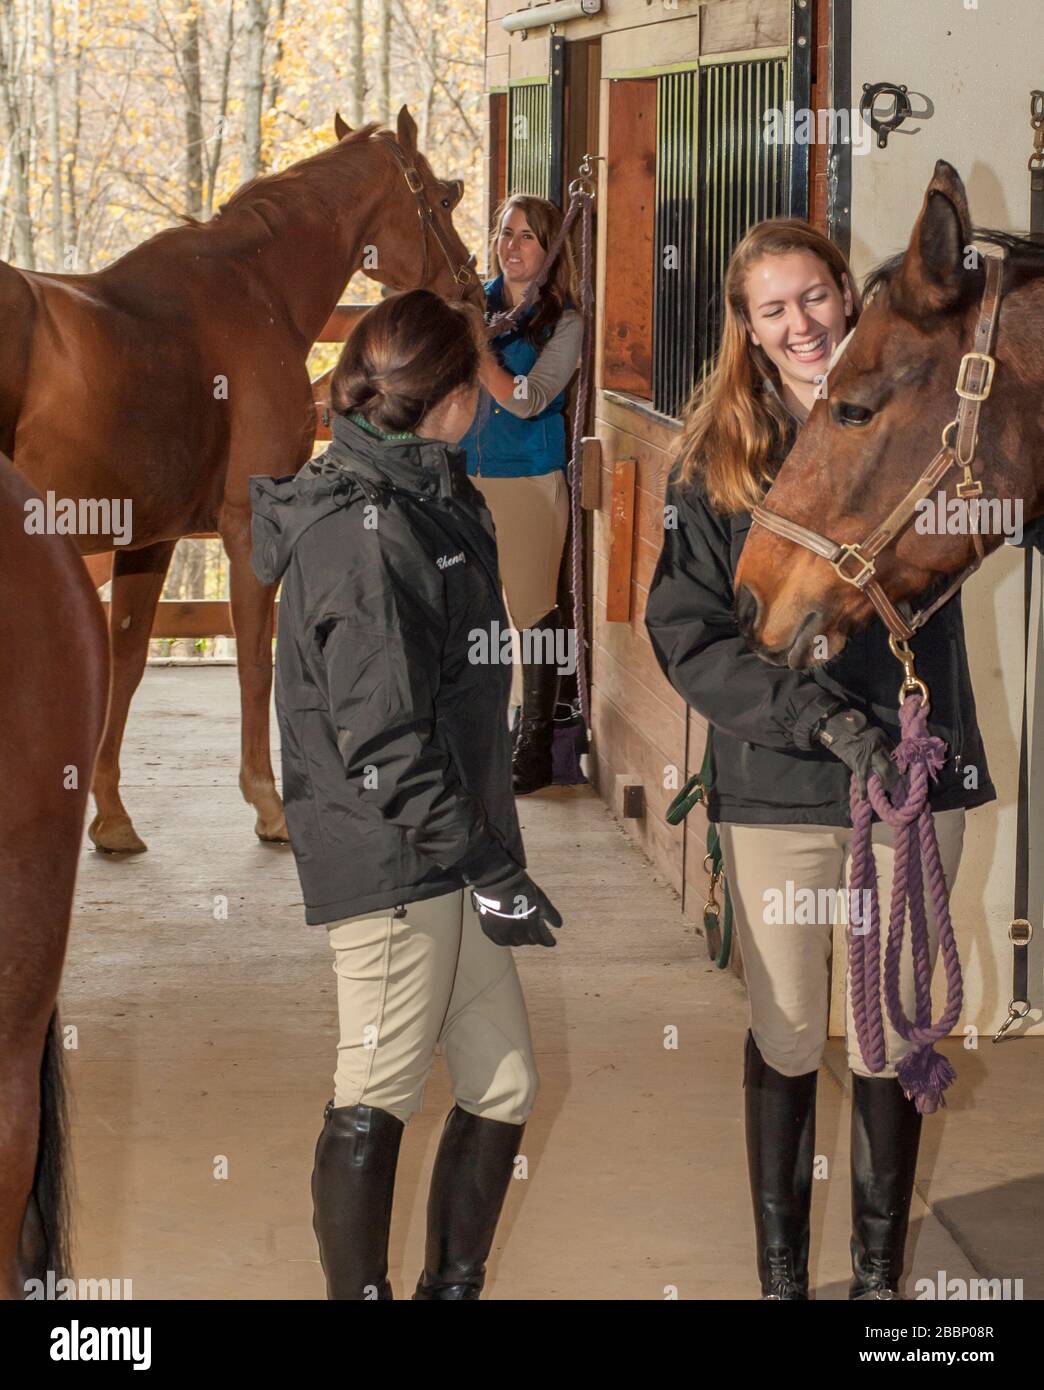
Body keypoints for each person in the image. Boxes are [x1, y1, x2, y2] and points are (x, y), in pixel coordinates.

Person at [644, 219, 1010, 1300]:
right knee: (791, 1028)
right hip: (783, 785)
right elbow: (689, 636)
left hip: (910, 769)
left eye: (814, 297)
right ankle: (781, 1281)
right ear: (747, 330)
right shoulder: (718, 459)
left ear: (849, 298)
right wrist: (815, 721)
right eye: (774, 309)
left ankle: (875, 1283)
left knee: (895, 1031)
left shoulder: (927, 423)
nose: (800, 324)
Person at [249, 289, 562, 1301]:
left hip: (446, 844)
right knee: (375, 1091)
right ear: (452, 396)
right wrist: (485, 863)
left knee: (504, 1080)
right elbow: (382, 741)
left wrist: (480, 854)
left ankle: (449, 1288)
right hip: (396, 855)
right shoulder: (368, 535)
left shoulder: (417, 485)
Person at [460, 194, 583, 794]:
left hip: (527, 479)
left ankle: (534, 746)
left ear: (550, 248)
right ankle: (471, 738)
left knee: (532, 610)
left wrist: (475, 349)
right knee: (461, 611)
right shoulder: (470, 304)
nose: (511, 246)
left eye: (528, 236)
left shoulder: (564, 321)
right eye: (505, 233)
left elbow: (528, 399)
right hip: (461, 474)